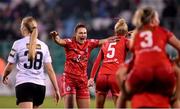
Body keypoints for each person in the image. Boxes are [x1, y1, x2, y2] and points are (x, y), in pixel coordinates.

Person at [116, 7, 180, 108]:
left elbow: (134, 50)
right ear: (153, 20)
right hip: (163, 69)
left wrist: (126, 93)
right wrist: (176, 61)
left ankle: (125, 96)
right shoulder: (163, 31)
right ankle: (176, 99)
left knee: (122, 94)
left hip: (141, 71)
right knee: (175, 90)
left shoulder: (136, 34)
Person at [49, 23, 116, 108]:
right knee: (70, 106)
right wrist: (55, 37)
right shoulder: (70, 43)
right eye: (80, 33)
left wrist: (116, 38)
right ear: (75, 34)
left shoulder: (89, 43)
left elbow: (102, 41)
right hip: (69, 79)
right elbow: (59, 41)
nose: (83, 35)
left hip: (83, 81)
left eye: (85, 33)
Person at [2, 16, 60, 109]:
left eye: (21, 26)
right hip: (40, 87)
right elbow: (50, 69)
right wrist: (57, 89)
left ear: (24, 28)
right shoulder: (44, 46)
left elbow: (10, 65)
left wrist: (5, 75)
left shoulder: (18, 44)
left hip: (24, 84)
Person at [88, 18, 129, 108]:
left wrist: (91, 78)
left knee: (99, 107)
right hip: (115, 76)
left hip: (102, 76)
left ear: (115, 32)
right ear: (126, 32)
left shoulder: (107, 42)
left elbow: (97, 61)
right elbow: (135, 47)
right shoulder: (126, 41)